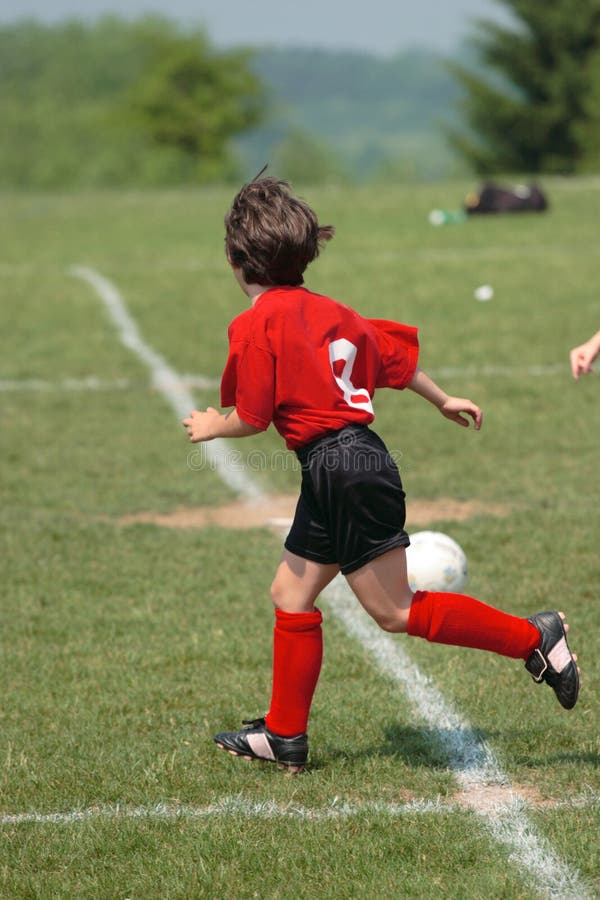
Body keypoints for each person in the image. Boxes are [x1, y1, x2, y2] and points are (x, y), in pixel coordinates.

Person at [183, 173, 580, 773]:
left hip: (340, 468)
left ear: (237, 261)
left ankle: (536, 637)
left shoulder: (255, 323)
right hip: (346, 464)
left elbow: (255, 417)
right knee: (290, 593)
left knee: (395, 612)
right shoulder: (335, 312)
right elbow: (395, 360)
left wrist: (215, 425)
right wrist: (442, 399)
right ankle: (284, 734)